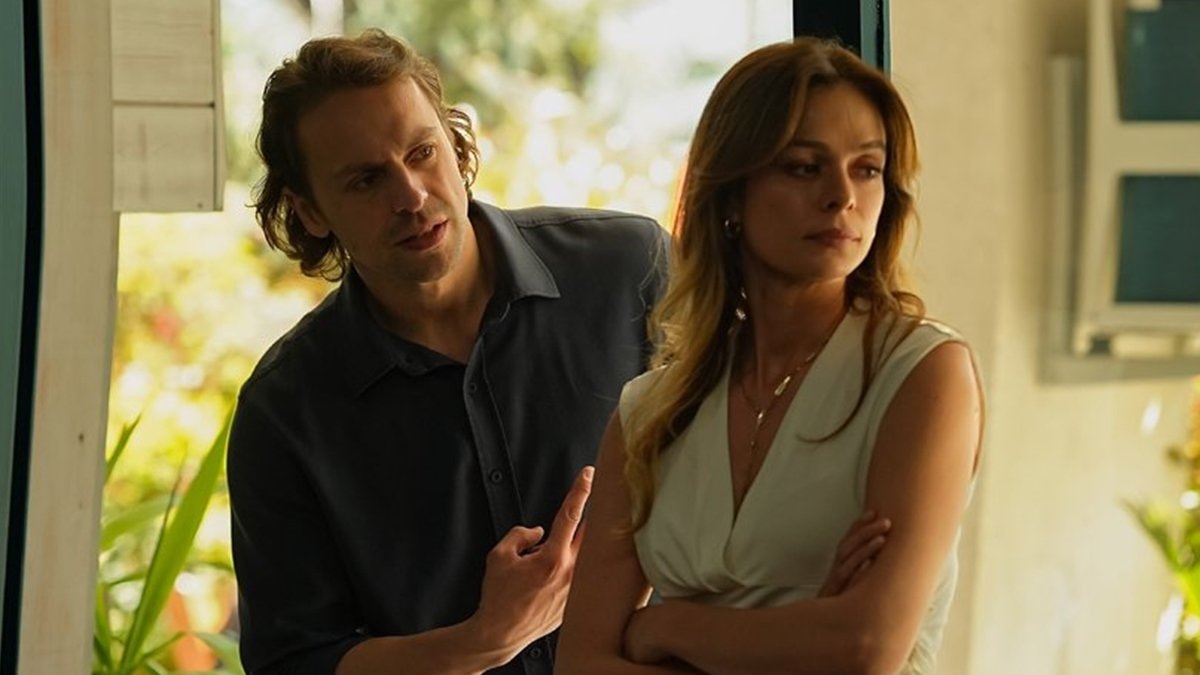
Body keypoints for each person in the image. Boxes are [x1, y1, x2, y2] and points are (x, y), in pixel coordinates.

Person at [225, 29, 670, 675]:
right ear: (310, 211)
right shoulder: (285, 411)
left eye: (422, 152)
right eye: (367, 179)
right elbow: (293, 661)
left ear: (456, 145)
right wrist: (480, 642)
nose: (411, 196)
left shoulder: (630, 269)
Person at [556, 36, 984, 675]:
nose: (842, 196)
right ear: (732, 193)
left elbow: (864, 647)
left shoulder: (923, 373)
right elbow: (581, 664)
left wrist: (667, 626)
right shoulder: (651, 411)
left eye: (867, 168)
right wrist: (800, 633)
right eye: (805, 167)